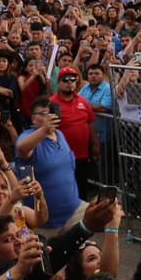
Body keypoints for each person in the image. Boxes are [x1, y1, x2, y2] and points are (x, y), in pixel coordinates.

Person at [15, 97, 81, 230]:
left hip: (74, 213)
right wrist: (44, 129)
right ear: (33, 118)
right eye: (44, 113)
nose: (49, 116)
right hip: (46, 224)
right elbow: (21, 147)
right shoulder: (28, 135)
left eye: (51, 112)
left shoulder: (59, 134)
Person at [49, 65, 98, 194]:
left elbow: (90, 123)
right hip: (61, 155)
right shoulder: (51, 103)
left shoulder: (83, 101)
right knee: (64, 188)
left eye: (72, 79)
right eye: (65, 80)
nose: (69, 82)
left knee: (81, 187)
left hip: (82, 155)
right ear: (58, 83)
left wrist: (95, 145)